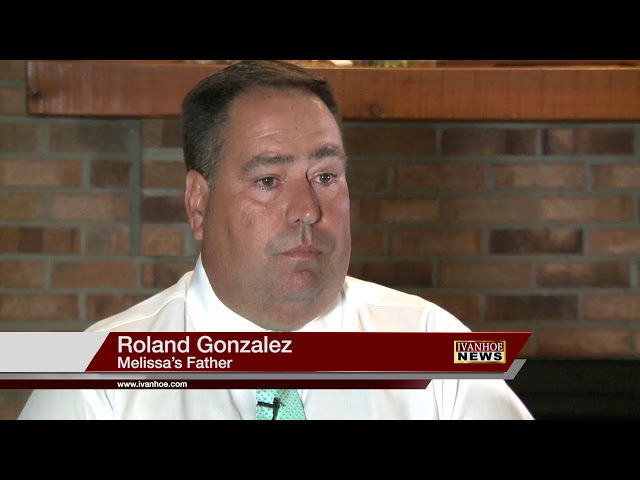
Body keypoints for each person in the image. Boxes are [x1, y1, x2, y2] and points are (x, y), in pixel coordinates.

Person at [18, 60, 533, 420]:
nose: (307, 209)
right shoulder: (99, 382)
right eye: (268, 181)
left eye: (325, 177)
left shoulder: (436, 350)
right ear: (198, 204)